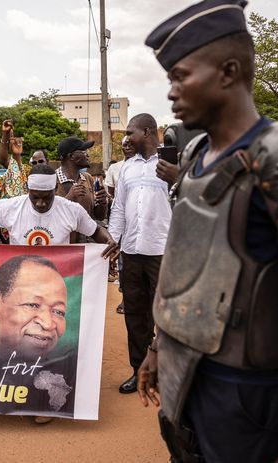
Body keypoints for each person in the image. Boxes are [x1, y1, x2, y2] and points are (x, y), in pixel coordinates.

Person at [138, 2, 278, 463]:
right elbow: (186, 268)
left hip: (251, 395)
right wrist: (158, 349)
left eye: (181, 76)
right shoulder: (196, 155)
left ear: (229, 71)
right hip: (188, 384)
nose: (172, 93)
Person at [108, 113, 172, 395]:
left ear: (147, 132)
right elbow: (119, 208)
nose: (126, 138)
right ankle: (140, 370)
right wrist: (113, 240)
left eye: (130, 132)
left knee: (168, 315)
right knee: (135, 314)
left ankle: (171, 374)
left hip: (163, 252)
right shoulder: (127, 168)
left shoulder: (171, 165)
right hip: (132, 252)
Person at [55, 136, 108, 242]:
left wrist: (102, 202)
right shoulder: (53, 180)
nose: (87, 155)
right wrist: (69, 198)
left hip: (87, 245)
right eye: (83, 151)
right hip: (63, 244)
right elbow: (48, 214)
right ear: (71, 156)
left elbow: (99, 216)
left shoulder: (88, 178)